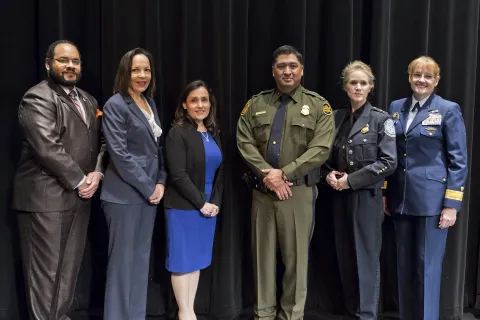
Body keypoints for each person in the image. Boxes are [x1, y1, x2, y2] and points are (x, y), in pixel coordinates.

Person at [236, 45, 335, 320]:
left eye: (292, 66)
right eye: (281, 66)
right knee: (262, 260)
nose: (287, 71)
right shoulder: (256, 104)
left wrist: (285, 173)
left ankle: (292, 315)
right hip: (263, 192)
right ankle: (264, 314)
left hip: (298, 193)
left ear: (301, 70)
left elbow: (321, 148)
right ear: (273, 71)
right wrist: (268, 175)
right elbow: (244, 141)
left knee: (296, 261)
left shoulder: (318, 105)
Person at [13, 39, 106, 320]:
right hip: (46, 200)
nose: (70, 66)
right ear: (48, 63)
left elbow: (102, 142)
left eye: (75, 61)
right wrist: (81, 180)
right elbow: (47, 147)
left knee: (68, 270)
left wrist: (97, 173)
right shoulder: (37, 97)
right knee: (47, 274)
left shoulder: (89, 100)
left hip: (79, 198)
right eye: (63, 60)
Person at [384, 56, 468, 320]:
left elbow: (459, 161)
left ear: (436, 80)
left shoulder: (448, 109)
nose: (421, 80)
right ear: (409, 77)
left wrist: (451, 205)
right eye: (417, 75)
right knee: (404, 268)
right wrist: (386, 192)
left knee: (427, 270)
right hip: (401, 198)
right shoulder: (396, 107)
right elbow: (390, 154)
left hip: (432, 202)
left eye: (428, 76)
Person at [322, 61, 397, 319]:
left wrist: (351, 181)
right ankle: (350, 312)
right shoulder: (336, 117)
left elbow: (388, 162)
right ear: (345, 86)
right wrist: (327, 174)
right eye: (353, 82)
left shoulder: (380, 119)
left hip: (366, 198)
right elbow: (324, 156)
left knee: (365, 260)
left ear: (371, 87)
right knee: (345, 258)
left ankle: (366, 315)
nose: (358, 87)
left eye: (363, 83)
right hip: (339, 198)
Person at [100, 48, 167, 320]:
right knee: (121, 267)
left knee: (140, 264)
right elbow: (120, 155)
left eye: (147, 70)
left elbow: (156, 150)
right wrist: (150, 187)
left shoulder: (149, 103)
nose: (142, 75)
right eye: (136, 70)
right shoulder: (116, 104)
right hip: (123, 197)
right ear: (125, 72)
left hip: (148, 196)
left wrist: (161, 182)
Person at [163, 80, 224, 320]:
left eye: (204, 100)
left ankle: (190, 311)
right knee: (182, 262)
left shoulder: (212, 133)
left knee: (196, 261)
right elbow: (178, 175)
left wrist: (215, 201)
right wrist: (202, 203)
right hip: (183, 207)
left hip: (209, 207)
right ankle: (185, 313)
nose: (200, 105)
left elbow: (221, 172)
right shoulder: (177, 133)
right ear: (184, 105)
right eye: (194, 100)